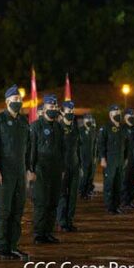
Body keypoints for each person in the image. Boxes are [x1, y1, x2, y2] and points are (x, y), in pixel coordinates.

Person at [0, 85, 31, 261]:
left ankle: (13, 246)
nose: (18, 102)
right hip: (3, 172)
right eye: (14, 100)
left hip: (20, 172)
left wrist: (29, 168)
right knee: (3, 211)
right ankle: (2, 248)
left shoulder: (23, 121)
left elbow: (27, 147)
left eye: (19, 99)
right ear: (7, 101)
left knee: (17, 211)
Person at [30, 94, 65, 244]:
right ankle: (39, 233)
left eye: (55, 107)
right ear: (44, 109)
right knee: (41, 202)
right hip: (40, 168)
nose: (54, 110)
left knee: (53, 201)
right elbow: (31, 150)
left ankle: (48, 232)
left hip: (56, 169)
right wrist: (31, 169)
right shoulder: (36, 126)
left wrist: (62, 168)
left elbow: (62, 149)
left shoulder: (58, 127)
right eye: (51, 107)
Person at [98, 105, 129, 215]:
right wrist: (102, 158)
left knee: (118, 184)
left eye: (119, 113)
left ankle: (116, 206)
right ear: (110, 115)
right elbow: (101, 144)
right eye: (116, 113)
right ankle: (109, 206)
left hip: (120, 160)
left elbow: (126, 144)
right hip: (109, 160)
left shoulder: (123, 128)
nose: (118, 115)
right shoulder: (105, 128)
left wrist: (125, 158)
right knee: (109, 184)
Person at [57, 100, 81, 232]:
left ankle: (69, 220)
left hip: (74, 166)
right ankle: (61, 222)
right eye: (68, 111)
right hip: (63, 167)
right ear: (62, 112)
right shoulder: (58, 128)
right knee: (62, 196)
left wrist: (80, 166)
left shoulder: (74, 128)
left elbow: (78, 148)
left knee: (72, 196)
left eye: (72, 111)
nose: (71, 114)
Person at [121, 108, 134, 209]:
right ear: (125, 117)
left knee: (132, 181)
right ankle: (123, 201)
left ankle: (130, 200)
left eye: (133, 115)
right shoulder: (122, 129)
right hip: (126, 159)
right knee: (125, 181)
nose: (131, 117)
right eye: (129, 115)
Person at [78, 114, 98, 199]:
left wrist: (95, 156)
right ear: (84, 120)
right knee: (84, 175)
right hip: (83, 157)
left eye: (90, 119)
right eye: (87, 119)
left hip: (91, 157)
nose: (88, 121)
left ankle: (88, 191)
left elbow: (95, 145)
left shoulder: (93, 130)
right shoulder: (80, 130)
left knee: (91, 175)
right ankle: (82, 192)